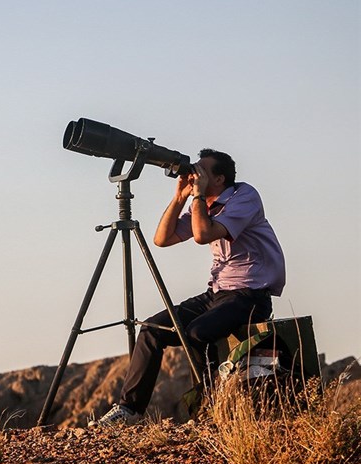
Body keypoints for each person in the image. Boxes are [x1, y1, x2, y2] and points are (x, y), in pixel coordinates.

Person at [97, 148, 286, 425]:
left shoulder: (244, 196)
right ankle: (130, 409)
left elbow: (202, 235)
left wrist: (196, 195)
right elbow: (162, 239)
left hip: (250, 295)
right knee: (152, 329)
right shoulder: (203, 205)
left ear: (219, 179)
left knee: (197, 333)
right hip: (218, 293)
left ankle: (209, 409)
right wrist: (179, 197)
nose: (194, 175)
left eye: (201, 171)